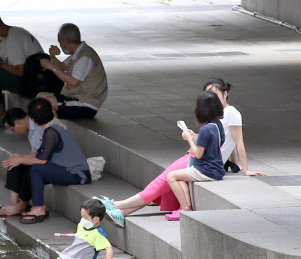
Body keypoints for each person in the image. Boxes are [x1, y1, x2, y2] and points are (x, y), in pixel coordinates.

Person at [97, 78, 263, 227]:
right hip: (201, 159)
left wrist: (245, 168)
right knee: (159, 185)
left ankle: (117, 206)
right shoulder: (217, 122)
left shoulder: (230, 115)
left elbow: (237, 141)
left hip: (196, 159)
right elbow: (228, 142)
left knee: (159, 184)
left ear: (224, 94)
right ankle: (122, 211)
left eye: (213, 93)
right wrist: (234, 163)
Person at [3, 98, 91, 224]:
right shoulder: (50, 129)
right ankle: (21, 205)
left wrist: (21, 159)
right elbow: (41, 154)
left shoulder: (51, 132)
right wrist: (20, 159)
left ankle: (38, 208)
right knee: (24, 164)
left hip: (77, 173)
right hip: (66, 169)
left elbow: (41, 160)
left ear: (33, 120)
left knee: (37, 169)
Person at [164, 91, 225, 220]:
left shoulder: (205, 130)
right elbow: (214, 143)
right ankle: (184, 205)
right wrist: (195, 137)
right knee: (180, 177)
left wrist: (189, 139)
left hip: (206, 170)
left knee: (171, 176)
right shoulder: (218, 126)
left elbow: (198, 154)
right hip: (218, 168)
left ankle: (185, 207)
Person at [0, 108, 66, 217]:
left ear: (19, 122)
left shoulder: (41, 125)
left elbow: (47, 156)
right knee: (15, 164)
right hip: (44, 160)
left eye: (13, 130)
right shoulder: (31, 131)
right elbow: (39, 153)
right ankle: (14, 204)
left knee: (33, 170)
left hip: (59, 164)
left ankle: (22, 204)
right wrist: (21, 159)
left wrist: (23, 159)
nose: (15, 133)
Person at [36, 23, 108, 120]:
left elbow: (73, 82)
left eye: (60, 43)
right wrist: (52, 56)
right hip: (75, 97)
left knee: (45, 104)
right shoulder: (77, 55)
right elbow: (61, 67)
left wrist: (51, 66)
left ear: (66, 42)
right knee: (40, 96)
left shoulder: (85, 57)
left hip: (86, 104)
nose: (61, 46)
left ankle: (53, 130)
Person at [203, 78, 265, 177]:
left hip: (207, 162)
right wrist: (235, 165)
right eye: (208, 95)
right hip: (203, 157)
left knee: (172, 176)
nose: (211, 98)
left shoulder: (231, 113)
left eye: (215, 94)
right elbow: (228, 138)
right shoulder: (215, 112)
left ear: (225, 94)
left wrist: (246, 170)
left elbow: (238, 141)